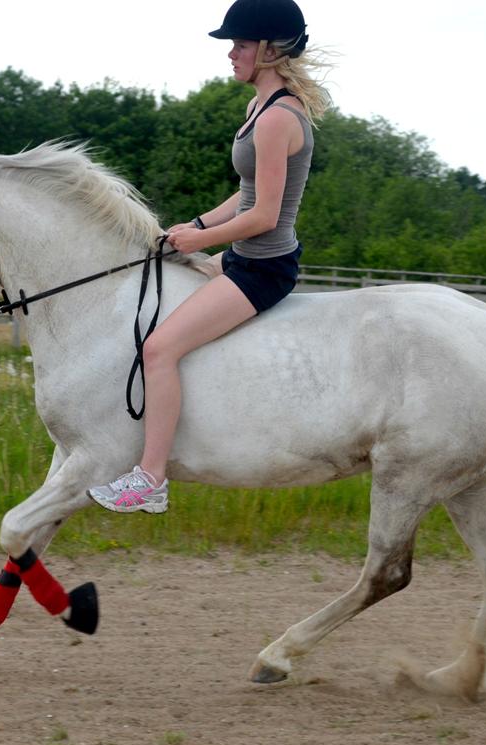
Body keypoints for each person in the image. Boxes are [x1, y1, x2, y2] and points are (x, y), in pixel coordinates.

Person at [87, 0, 330, 514]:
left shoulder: (277, 119)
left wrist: (202, 244)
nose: (231, 54)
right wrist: (198, 225)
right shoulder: (259, 109)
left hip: (262, 267)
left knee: (159, 349)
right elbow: (246, 195)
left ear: (268, 49)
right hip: (243, 257)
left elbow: (264, 215)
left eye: (240, 44)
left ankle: (150, 479)